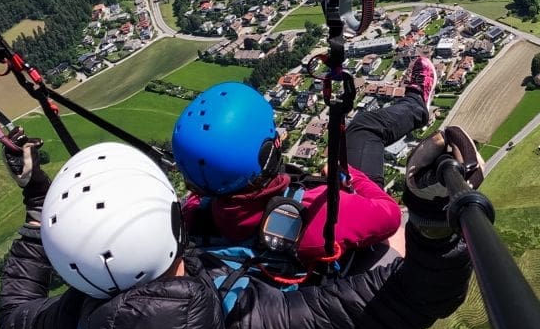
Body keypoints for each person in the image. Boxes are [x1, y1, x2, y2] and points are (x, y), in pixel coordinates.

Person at [0, 127, 479, 329]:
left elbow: (15, 316)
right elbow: (419, 292)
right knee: (374, 258)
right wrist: (430, 216)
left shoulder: (77, 328)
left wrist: (40, 205)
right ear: (173, 221)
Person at [170, 56, 435, 268]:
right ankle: (416, 103)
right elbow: (388, 215)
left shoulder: (193, 217)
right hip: (347, 265)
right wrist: (352, 175)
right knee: (365, 128)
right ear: (270, 149)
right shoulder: (317, 210)